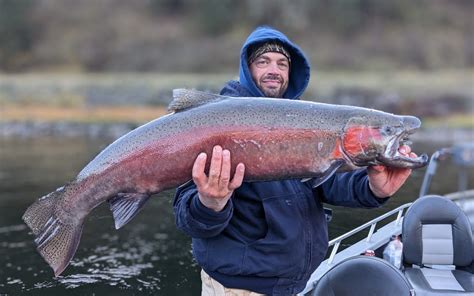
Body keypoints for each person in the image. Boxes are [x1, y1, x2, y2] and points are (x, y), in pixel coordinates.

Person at [173, 26, 416, 295]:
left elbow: (328, 184)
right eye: (263, 62)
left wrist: (373, 189)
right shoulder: (218, 125)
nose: (273, 70)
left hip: (292, 286)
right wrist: (211, 204)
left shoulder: (304, 126)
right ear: (246, 69)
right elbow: (187, 218)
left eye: (282, 63)